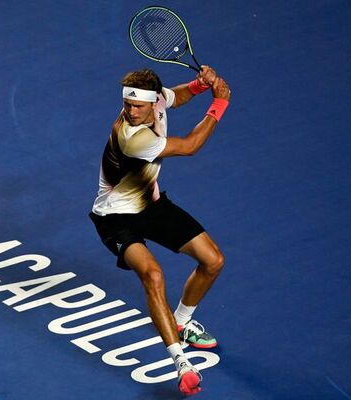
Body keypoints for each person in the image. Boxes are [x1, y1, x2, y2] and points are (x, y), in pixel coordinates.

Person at [89, 66, 231, 395]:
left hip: (150, 206)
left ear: (153, 103)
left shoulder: (158, 102)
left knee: (213, 261)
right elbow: (191, 146)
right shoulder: (132, 135)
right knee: (153, 275)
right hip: (115, 217)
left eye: (138, 106)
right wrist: (218, 102)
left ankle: (180, 321)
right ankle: (181, 363)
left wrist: (198, 85)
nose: (131, 112)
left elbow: (174, 97)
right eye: (127, 105)